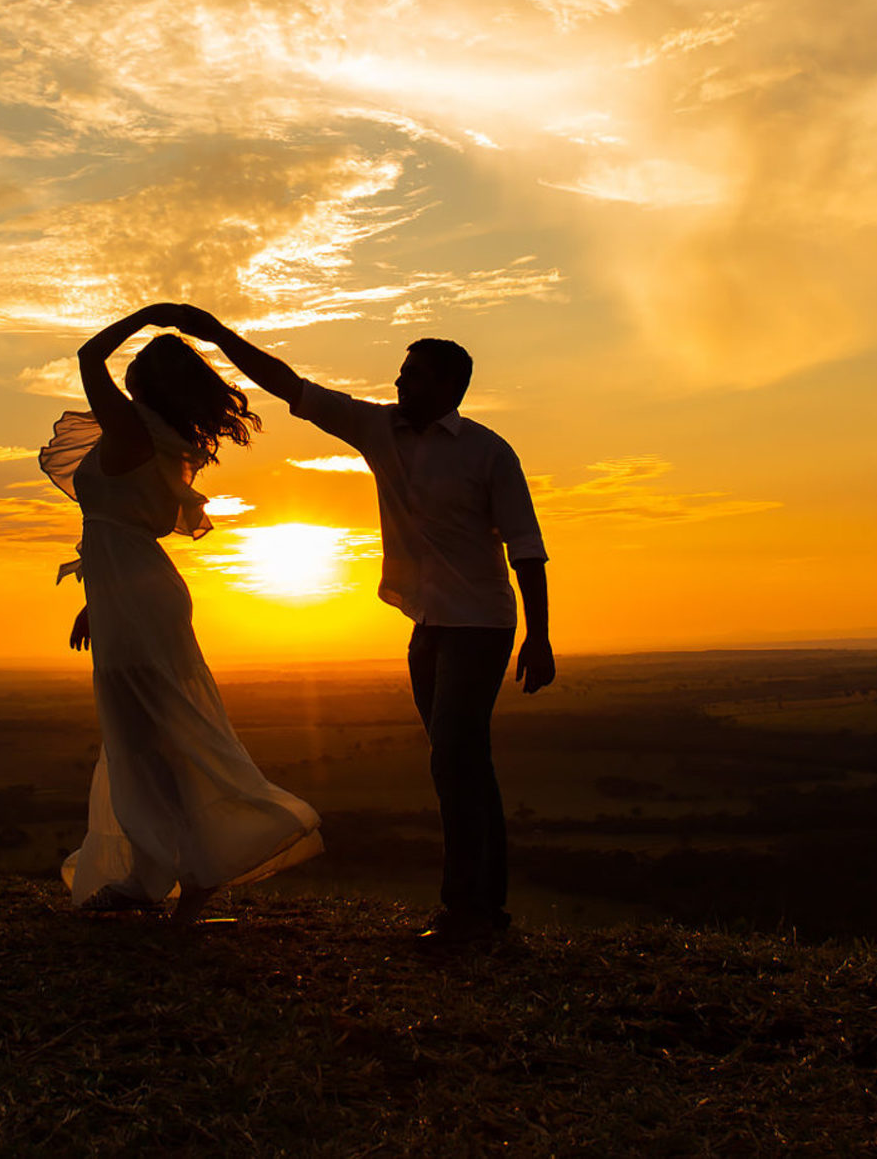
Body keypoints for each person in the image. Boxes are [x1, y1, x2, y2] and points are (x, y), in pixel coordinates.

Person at [159, 305, 551, 947]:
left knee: (456, 757)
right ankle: (485, 911)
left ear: (450, 388)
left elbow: (526, 547)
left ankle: (466, 912)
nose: (400, 385)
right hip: (427, 622)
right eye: (401, 374)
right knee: (460, 762)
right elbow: (288, 385)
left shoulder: (488, 452)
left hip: (480, 624)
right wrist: (216, 333)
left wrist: (539, 635)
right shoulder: (379, 429)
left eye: (414, 376)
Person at [40, 304, 323, 922]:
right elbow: (117, 529)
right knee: (140, 741)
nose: (130, 368)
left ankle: (195, 876)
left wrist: (151, 314)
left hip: (138, 601)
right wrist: (95, 602)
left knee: (157, 741)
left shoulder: (135, 432)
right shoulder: (156, 437)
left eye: (140, 363)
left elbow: (90, 357)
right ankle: (157, 875)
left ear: (151, 381)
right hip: (132, 595)